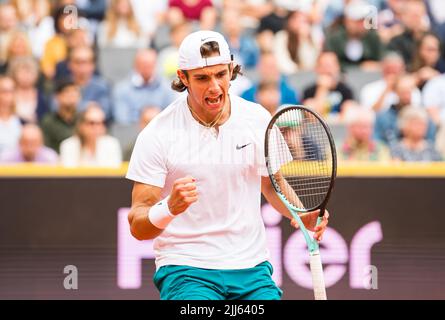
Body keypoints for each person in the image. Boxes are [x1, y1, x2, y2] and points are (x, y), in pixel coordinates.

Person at [126, 30, 329, 300]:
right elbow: (138, 226)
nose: (214, 87)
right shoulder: (157, 134)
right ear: (183, 77)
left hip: (251, 268)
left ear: (232, 70)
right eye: (202, 78)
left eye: (221, 74)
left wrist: (298, 213)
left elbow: (272, 185)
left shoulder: (257, 118)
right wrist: (168, 207)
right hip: (187, 269)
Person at [60, 103, 122, 167]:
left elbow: (113, 173)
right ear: (81, 125)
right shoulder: (68, 145)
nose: (97, 127)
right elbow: (69, 174)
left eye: (101, 123)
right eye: (91, 123)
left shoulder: (111, 144)